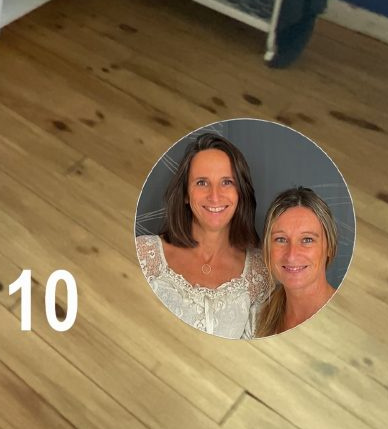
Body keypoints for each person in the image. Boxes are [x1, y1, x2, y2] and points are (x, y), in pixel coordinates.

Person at [134, 130, 271, 339]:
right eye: (202, 182)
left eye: (227, 182)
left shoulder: (260, 274)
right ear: (185, 195)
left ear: (240, 193)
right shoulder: (144, 253)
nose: (215, 196)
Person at [256, 187, 340, 335]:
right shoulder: (257, 314)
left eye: (307, 240)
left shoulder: (344, 319)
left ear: (329, 247)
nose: (291, 255)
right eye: (281, 239)